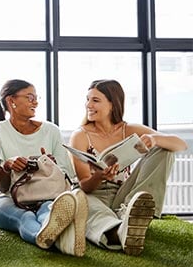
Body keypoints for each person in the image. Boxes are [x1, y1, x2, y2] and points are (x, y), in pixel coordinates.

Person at [68, 79, 187, 256]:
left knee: (164, 150)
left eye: (95, 100)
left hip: (123, 194)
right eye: (87, 99)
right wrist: (100, 176)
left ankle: (131, 210)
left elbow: (180, 144)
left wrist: (154, 140)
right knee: (84, 204)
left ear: (112, 104)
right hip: (94, 194)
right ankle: (118, 230)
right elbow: (85, 184)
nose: (88, 105)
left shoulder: (128, 129)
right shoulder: (80, 135)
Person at [0, 79, 88, 257]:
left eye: (36, 98)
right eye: (30, 97)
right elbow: (2, 187)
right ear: (11, 100)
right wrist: (7, 165)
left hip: (47, 195)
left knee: (48, 212)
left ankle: (55, 235)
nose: (35, 102)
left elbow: (67, 174)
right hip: (8, 199)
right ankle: (49, 237)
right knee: (25, 217)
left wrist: (50, 164)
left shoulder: (51, 130)